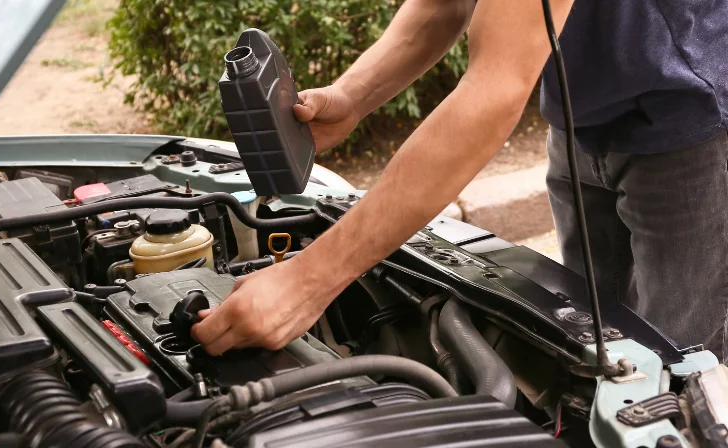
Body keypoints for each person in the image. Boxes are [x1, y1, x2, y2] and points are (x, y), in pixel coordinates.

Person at [193, 0, 728, 363]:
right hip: (579, 121)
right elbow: (443, 5)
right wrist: (354, 95)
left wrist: (310, 280)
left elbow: (495, 87)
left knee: (680, 371)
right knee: (592, 346)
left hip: (693, 124)